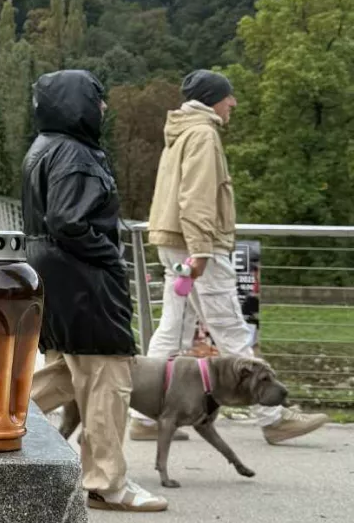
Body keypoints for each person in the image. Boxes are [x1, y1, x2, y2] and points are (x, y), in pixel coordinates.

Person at [135, 69, 327, 443]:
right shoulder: (203, 134)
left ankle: (143, 416)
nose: (233, 103)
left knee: (173, 327)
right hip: (196, 245)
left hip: (174, 240)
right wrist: (203, 250)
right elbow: (197, 197)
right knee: (231, 329)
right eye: (228, 96)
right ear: (213, 99)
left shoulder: (180, 131)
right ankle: (273, 415)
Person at [22, 70, 166, 511]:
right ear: (78, 103)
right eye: (98, 98)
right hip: (85, 279)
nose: (104, 107)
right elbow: (69, 221)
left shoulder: (43, 149)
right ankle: (106, 481)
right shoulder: (76, 154)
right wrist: (110, 258)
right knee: (107, 376)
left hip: (55, 276)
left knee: (67, 371)